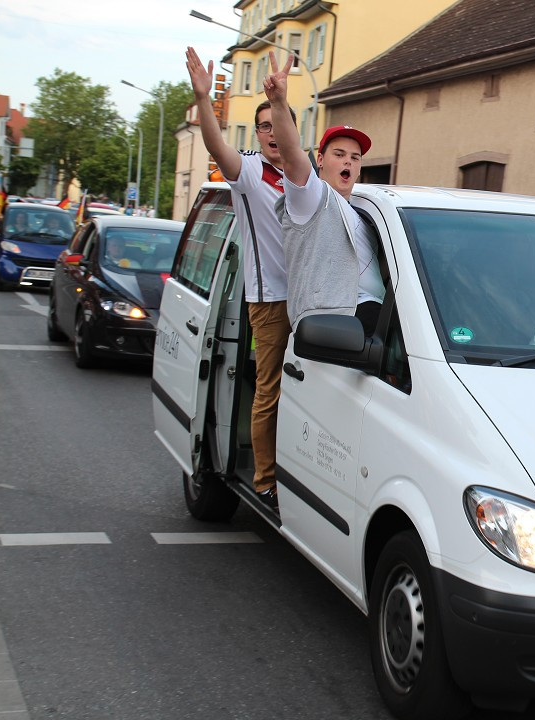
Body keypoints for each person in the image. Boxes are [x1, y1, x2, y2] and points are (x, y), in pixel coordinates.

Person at [186, 46, 295, 509]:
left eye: (279, 123)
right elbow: (215, 147)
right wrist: (206, 99)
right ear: (256, 133)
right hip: (269, 300)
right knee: (269, 389)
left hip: (311, 301)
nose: (272, 133)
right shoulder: (249, 170)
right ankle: (266, 480)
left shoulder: (301, 171)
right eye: (265, 125)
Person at [263, 51, 385, 332]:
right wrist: (279, 103)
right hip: (336, 323)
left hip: (374, 314)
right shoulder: (313, 198)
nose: (348, 162)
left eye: (355, 158)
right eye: (339, 154)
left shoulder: (366, 209)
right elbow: (292, 154)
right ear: (319, 160)